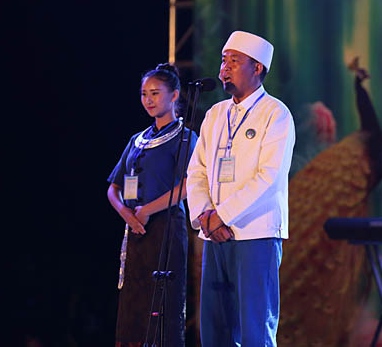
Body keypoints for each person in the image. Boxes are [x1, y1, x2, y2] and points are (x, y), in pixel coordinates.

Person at [186, 31, 296, 347]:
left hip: (256, 234)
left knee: (254, 331)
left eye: (234, 61)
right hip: (214, 234)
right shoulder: (215, 114)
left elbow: (269, 177)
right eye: (223, 61)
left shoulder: (276, 113)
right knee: (214, 330)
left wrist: (222, 216)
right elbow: (196, 171)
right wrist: (205, 216)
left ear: (257, 67)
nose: (224, 68)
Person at [107, 63, 197, 347]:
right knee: (133, 302)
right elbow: (113, 187)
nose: (148, 99)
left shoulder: (184, 138)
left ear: (174, 95)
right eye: (144, 93)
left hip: (165, 229)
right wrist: (126, 213)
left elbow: (188, 185)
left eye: (155, 93)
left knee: (163, 300)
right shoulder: (137, 140)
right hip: (136, 229)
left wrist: (147, 210)